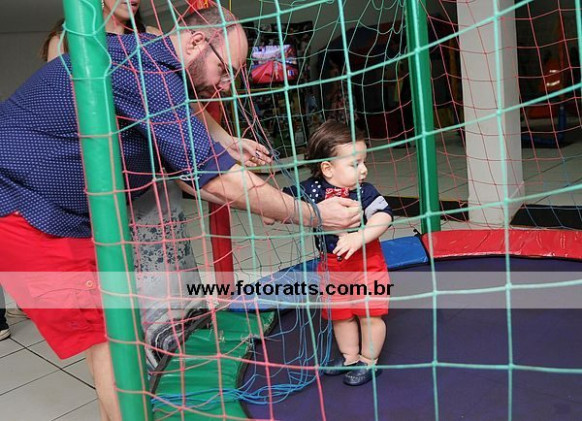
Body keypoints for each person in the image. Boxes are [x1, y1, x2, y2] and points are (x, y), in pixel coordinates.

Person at [0, 6, 360, 420]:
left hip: (62, 213)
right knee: (112, 339)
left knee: (119, 333)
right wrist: (313, 214)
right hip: (24, 208)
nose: (225, 86)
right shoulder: (144, 69)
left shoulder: (153, 65)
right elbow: (215, 182)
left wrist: (235, 159)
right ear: (195, 42)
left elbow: (193, 175)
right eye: (225, 71)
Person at [41, 0, 207, 372]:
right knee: (125, 291)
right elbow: (66, 109)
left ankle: (183, 368)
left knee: (173, 275)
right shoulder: (68, 39)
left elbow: (181, 102)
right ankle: (140, 377)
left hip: (155, 181)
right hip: (108, 185)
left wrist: (224, 140)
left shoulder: (151, 37)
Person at [278, 120, 393, 386]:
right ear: (327, 169)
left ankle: (369, 361)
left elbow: (384, 216)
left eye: (364, 162)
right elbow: (283, 200)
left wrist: (358, 237)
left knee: (369, 314)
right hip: (331, 266)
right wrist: (273, 214)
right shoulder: (311, 189)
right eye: (355, 164)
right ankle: (350, 357)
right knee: (340, 315)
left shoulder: (364, 191)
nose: (363, 169)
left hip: (366, 263)